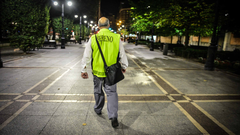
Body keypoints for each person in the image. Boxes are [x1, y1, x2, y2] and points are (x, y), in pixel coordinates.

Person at [80, 17, 128, 128]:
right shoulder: (116, 37)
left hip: (97, 71)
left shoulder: (94, 38)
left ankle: (98, 108)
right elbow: (122, 54)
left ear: (98, 25)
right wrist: (124, 66)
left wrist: (83, 69)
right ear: (108, 25)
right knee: (111, 93)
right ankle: (113, 116)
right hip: (112, 71)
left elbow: (87, 55)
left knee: (98, 91)